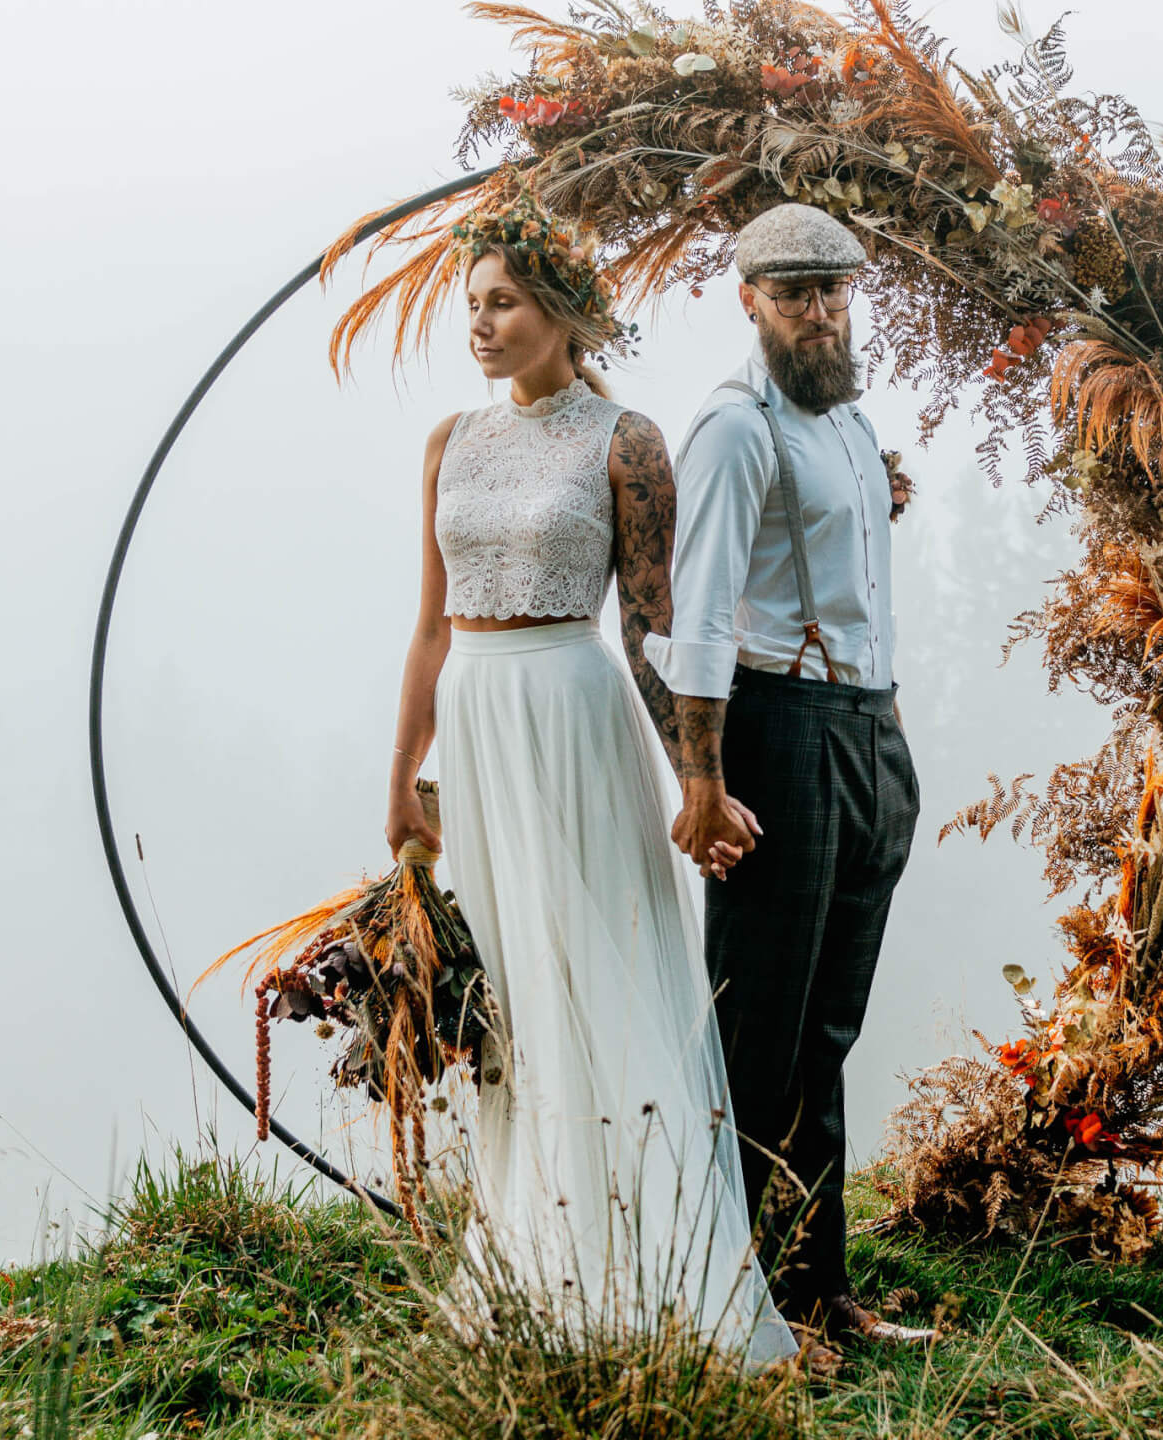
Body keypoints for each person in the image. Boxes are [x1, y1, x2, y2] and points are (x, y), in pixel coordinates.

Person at [379, 191, 811, 1372]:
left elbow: (650, 625)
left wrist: (697, 783)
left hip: (572, 713)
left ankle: (649, 1269)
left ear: (566, 312)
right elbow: (429, 628)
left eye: (505, 303)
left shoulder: (626, 442)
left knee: (593, 972)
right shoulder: (449, 443)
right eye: (473, 305)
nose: (481, 324)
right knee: (513, 993)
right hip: (477, 723)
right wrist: (404, 775)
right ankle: (535, 1259)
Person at [644, 202, 935, 1346]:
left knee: (827, 1037)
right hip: (777, 734)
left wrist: (889, 738)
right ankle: (730, 1305)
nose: (821, 311)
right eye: (796, 293)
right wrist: (701, 783)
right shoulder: (733, 428)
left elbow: (867, 597)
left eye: (835, 290)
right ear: (751, 301)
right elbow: (702, 615)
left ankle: (818, 1295)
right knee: (757, 1037)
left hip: (866, 736)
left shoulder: (851, 426)